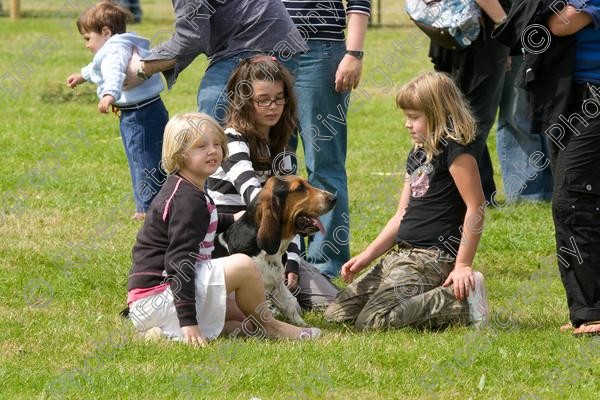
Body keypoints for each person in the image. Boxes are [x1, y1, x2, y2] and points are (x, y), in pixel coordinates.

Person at [126, 113, 321, 345]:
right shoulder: (187, 201)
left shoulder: (186, 189)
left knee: (243, 314)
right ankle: (271, 327)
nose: (212, 151)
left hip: (154, 302)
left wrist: (234, 218)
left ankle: (165, 332)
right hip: (160, 296)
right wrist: (189, 322)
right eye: (201, 146)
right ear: (178, 154)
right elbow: (179, 264)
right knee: (244, 265)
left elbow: (206, 222)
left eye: (217, 144)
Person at [324, 72, 488, 330]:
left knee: (372, 322)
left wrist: (463, 265)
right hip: (401, 257)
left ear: (438, 114)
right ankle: (426, 300)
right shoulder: (416, 155)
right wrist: (367, 257)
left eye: (414, 117)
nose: (407, 124)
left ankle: (462, 301)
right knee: (337, 314)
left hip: (431, 259)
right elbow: (401, 215)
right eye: (406, 117)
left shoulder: (455, 151)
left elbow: (475, 206)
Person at [207, 55, 338, 310]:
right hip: (231, 253)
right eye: (263, 100)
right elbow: (258, 201)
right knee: (258, 315)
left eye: (279, 98)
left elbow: (292, 211)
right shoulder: (231, 139)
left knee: (334, 305)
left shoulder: (283, 148)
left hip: (275, 254)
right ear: (244, 101)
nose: (273, 106)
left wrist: (292, 262)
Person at [282, 0, 370, 279]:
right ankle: (280, 255)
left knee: (324, 162)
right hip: (267, 45)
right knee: (274, 163)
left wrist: (354, 53)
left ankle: (324, 264)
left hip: (319, 49)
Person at [66, 1, 167, 220]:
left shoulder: (114, 49)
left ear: (105, 32)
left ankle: (147, 210)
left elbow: (114, 71)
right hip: (148, 110)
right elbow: (97, 67)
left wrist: (109, 94)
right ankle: (159, 202)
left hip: (140, 115)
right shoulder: (120, 44)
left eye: (87, 38)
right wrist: (82, 76)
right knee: (150, 157)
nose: (86, 45)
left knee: (143, 159)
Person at [130, 0, 307, 124]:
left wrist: (142, 68)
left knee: (210, 123)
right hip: (283, 43)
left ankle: (213, 178)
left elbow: (191, 37)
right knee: (272, 134)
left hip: (250, 43)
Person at [547, 2, 600, 336]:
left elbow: (560, 23)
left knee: (573, 199)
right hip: (565, 92)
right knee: (577, 198)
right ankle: (585, 309)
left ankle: (591, 311)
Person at [429, 0, 510, 202]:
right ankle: (463, 194)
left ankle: (481, 190)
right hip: (478, 38)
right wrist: (505, 27)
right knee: (471, 120)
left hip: (453, 32)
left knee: (458, 117)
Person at [496, 47, 553, 202]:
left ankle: (548, 188)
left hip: (553, 43)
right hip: (519, 45)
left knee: (548, 115)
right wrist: (507, 49)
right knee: (517, 118)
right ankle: (525, 192)